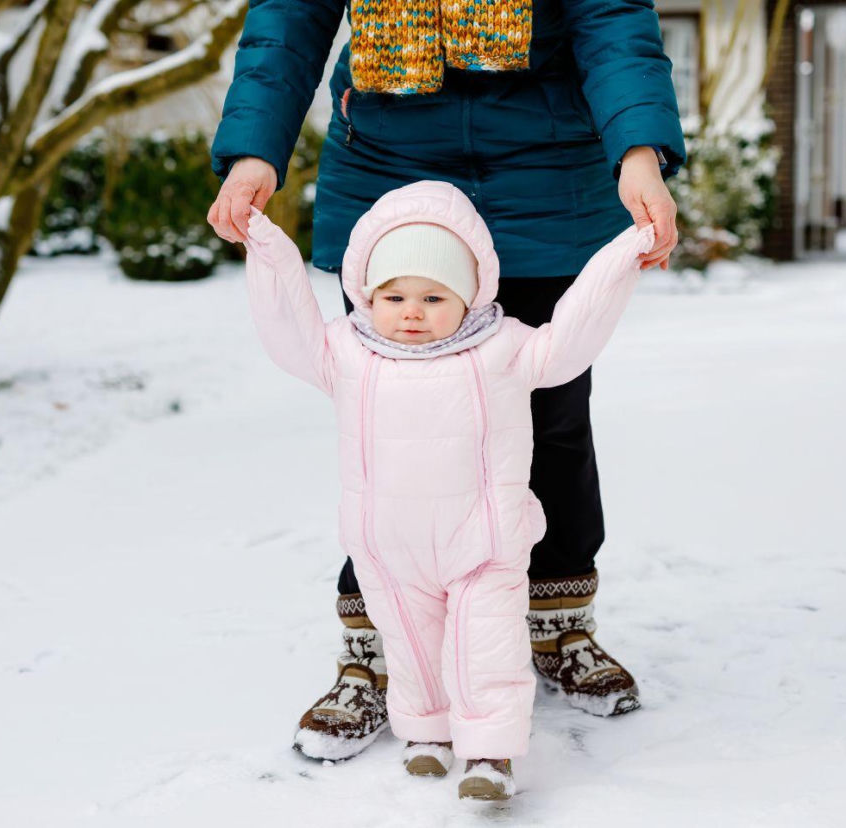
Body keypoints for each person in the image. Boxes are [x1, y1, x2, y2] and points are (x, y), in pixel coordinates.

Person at [208, 0, 685, 760]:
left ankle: (557, 623)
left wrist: (638, 151)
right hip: (389, 166)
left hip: (548, 167)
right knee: (391, 428)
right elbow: (289, 20)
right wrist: (256, 148)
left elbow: (610, 18)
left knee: (552, 418)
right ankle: (377, 651)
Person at [243, 179, 656, 800]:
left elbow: (572, 337)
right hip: (390, 546)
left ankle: (490, 754)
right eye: (395, 295)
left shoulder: (503, 348)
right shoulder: (346, 352)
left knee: (487, 647)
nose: (412, 311)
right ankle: (427, 733)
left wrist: (627, 252)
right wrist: (265, 244)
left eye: (435, 296)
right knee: (410, 648)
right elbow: (286, 326)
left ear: (469, 297)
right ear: (367, 294)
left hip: (482, 543)